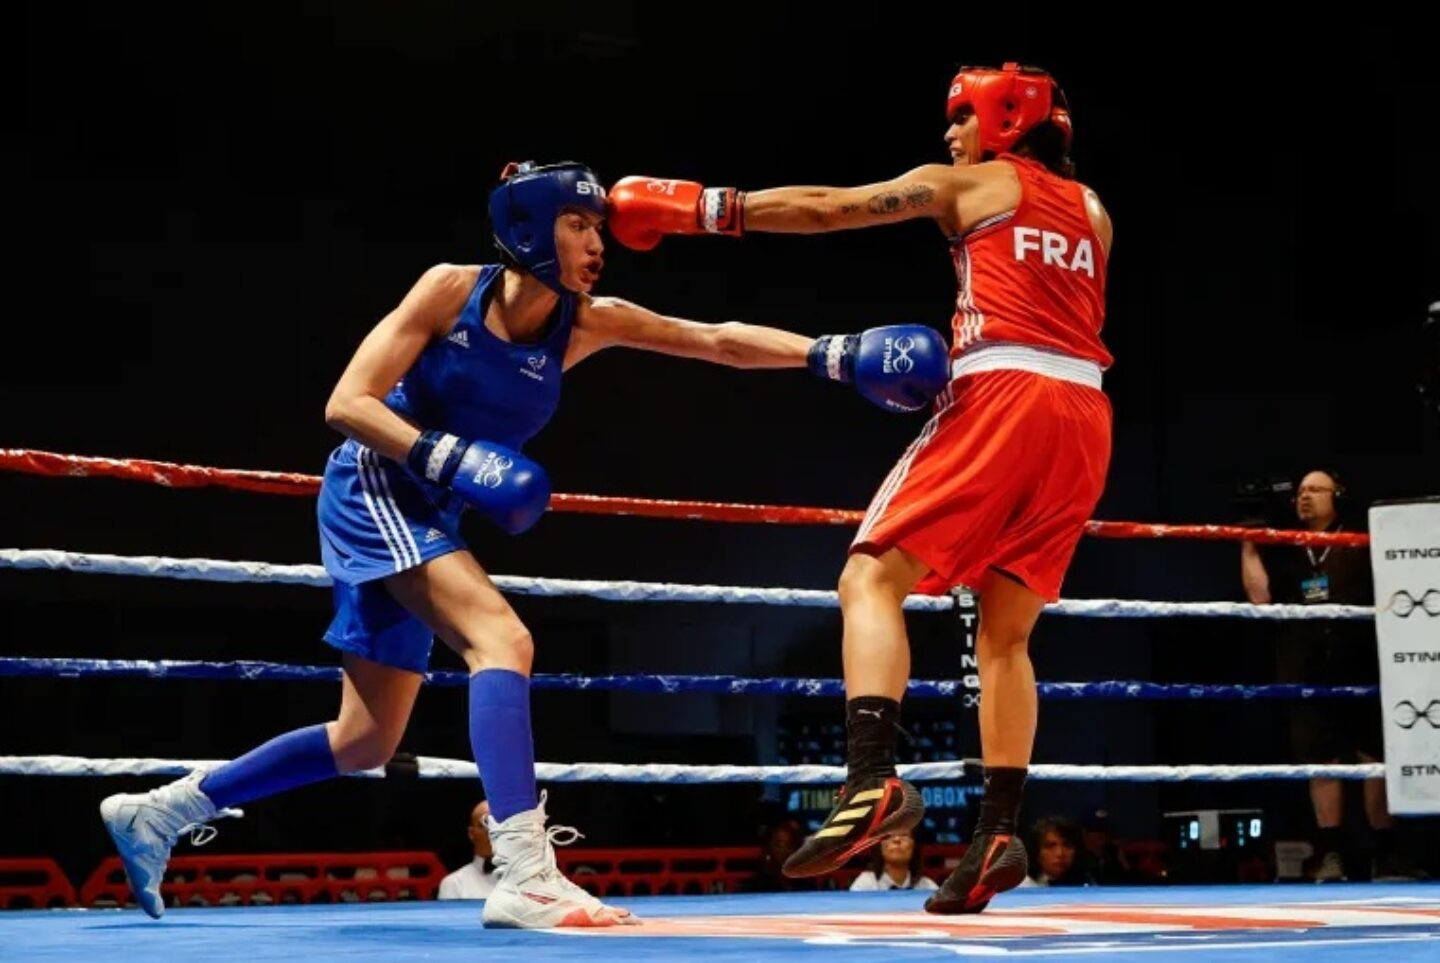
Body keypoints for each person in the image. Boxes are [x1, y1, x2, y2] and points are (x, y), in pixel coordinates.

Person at [98, 161, 949, 928]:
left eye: (597, 227)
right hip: (376, 487)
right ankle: (524, 869)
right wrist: (450, 453)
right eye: (579, 225)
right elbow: (347, 402)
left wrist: (832, 355)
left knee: (364, 739)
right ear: (530, 229)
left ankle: (162, 809)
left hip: (431, 508)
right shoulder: (448, 291)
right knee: (501, 636)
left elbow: (714, 338)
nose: (597, 241)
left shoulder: (583, 323)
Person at [608, 61, 1114, 914]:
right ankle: (997, 829)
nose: (950, 135)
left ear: (1003, 120)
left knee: (869, 574)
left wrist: (703, 208)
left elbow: (826, 207)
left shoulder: (968, 183)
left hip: (1004, 392)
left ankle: (874, 778)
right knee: (1007, 633)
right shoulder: (1096, 211)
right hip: (1087, 416)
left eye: (961, 117)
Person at [1240, 469, 1414, 882]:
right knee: (1322, 760)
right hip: (1306, 665)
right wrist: (1248, 545)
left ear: (1337, 495)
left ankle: (1385, 856)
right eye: (1300, 491)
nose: (1305, 497)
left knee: (1373, 758)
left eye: (1315, 490)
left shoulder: (1361, 540)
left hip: (1362, 661)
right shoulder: (1285, 546)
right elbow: (1260, 598)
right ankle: (1332, 854)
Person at [438, 800, 500, 900]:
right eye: (484, 825)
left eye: (498, 824)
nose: (492, 831)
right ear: (471, 833)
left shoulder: (527, 879)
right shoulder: (454, 884)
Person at [848, 829, 938, 891]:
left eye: (904, 834)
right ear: (880, 846)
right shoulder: (865, 885)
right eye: (889, 835)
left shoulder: (928, 888)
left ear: (914, 846)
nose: (897, 839)